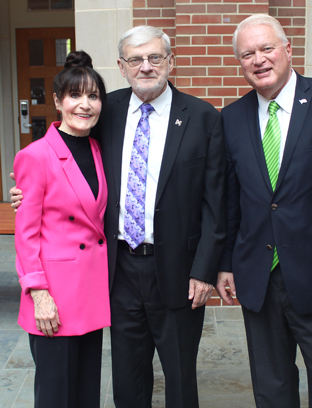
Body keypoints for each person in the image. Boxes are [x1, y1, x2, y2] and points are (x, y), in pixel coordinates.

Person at [11, 26, 226, 408]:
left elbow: (217, 202)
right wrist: (26, 194)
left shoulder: (203, 117)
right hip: (118, 271)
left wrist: (206, 269)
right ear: (122, 67)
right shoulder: (104, 111)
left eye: (155, 57)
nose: (146, 67)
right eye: (135, 60)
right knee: (128, 379)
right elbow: (67, 160)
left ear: (170, 62)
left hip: (179, 272)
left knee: (180, 379)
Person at [216, 14, 312, 408]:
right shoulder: (231, 118)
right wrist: (227, 263)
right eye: (247, 54)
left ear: (287, 49)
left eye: (266, 49)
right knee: (271, 389)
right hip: (258, 278)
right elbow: (233, 200)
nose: (258, 60)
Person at [14, 51, 109, 408]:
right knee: (56, 396)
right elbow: (25, 234)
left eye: (93, 96)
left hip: (90, 293)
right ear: (57, 101)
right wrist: (38, 294)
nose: (85, 105)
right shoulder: (35, 155)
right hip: (53, 298)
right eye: (75, 96)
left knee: (86, 393)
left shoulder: (99, 149)